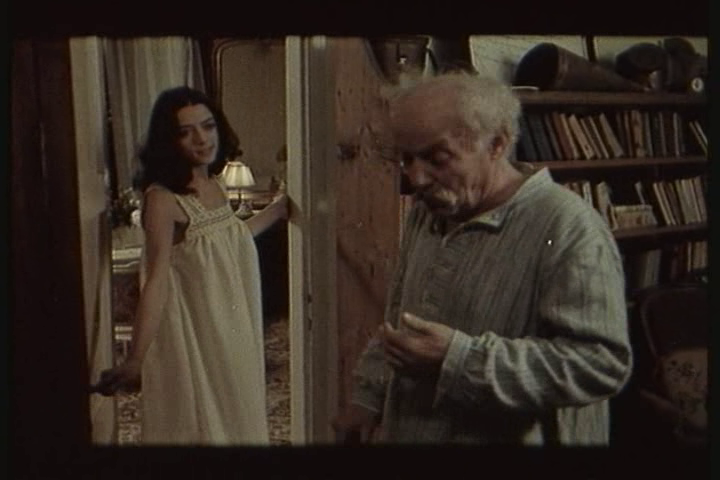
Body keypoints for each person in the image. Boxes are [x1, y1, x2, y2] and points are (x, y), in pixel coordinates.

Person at [332, 72, 633, 445]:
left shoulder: (569, 226)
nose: (416, 178)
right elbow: (399, 321)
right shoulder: (429, 209)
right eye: (406, 159)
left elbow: (601, 365)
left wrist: (459, 359)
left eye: (436, 158)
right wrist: (368, 398)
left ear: (497, 144)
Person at [93, 86, 288, 445]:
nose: (202, 139)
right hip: (197, 332)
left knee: (238, 415)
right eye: (186, 132)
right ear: (170, 141)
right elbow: (156, 279)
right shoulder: (162, 200)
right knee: (205, 425)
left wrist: (280, 208)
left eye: (208, 126)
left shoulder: (213, 183)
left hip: (231, 326)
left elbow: (231, 238)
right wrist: (136, 358)